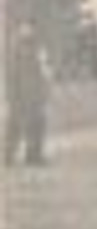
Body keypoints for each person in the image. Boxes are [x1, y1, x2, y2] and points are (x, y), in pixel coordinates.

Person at [6, 24, 50, 167]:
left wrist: (43, 94)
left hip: (34, 96)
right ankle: (9, 155)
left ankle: (33, 155)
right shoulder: (17, 55)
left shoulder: (36, 53)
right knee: (16, 126)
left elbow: (42, 75)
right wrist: (12, 97)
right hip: (22, 96)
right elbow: (12, 78)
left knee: (37, 125)